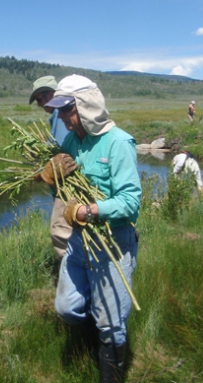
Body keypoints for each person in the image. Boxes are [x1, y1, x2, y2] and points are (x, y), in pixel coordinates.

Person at [44, 75, 141, 383]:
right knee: (67, 307)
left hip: (113, 241)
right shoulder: (72, 142)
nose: (60, 117)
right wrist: (49, 179)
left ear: (85, 106)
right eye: (58, 110)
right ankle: (94, 332)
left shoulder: (118, 143)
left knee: (112, 326)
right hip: (79, 240)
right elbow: (64, 190)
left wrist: (90, 211)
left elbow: (130, 202)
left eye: (65, 109)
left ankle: (109, 372)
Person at [29, 75, 71, 259]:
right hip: (65, 191)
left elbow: (63, 158)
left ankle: (73, 278)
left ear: (50, 94)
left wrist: (42, 175)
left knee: (61, 234)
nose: (39, 105)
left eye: (39, 99)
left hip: (67, 192)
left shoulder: (61, 117)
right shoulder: (57, 117)